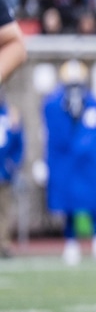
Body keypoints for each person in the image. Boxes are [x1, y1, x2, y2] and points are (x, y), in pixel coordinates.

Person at [44, 60, 96, 265]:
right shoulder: (54, 104)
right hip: (66, 163)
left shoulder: (94, 104)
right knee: (68, 203)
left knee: (94, 201)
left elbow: (93, 135)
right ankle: (71, 241)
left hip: (87, 163)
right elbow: (55, 134)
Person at [0, 93, 22, 258]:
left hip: (3, 172)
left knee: (5, 211)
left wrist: (11, 164)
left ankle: (4, 244)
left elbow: (18, 143)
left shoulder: (10, 115)